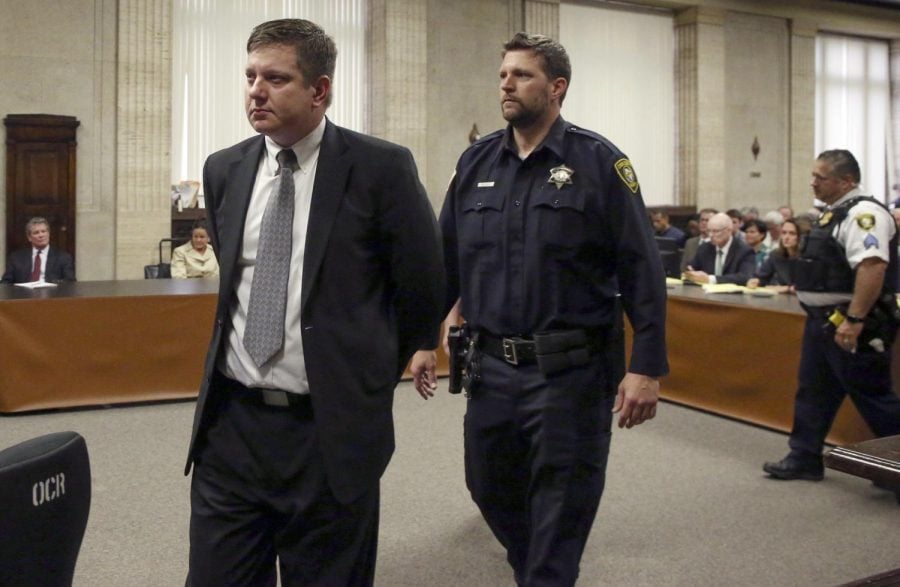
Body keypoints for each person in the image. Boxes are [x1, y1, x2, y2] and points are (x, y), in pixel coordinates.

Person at [183, 19, 445, 586]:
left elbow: (423, 287)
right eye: (250, 76)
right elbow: (235, 284)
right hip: (232, 428)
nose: (256, 90)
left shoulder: (381, 168)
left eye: (276, 78)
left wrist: (365, 380)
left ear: (319, 90)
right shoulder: (224, 168)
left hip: (326, 435)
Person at [410, 32, 668, 586]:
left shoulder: (599, 161)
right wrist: (421, 339)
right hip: (490, 368)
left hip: (569, 371)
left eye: (522, 75)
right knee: (487, 485)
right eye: (503, 74)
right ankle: (536, 570)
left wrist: (646, 366)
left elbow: (641, 268)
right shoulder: (477, 161)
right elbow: (445, 263)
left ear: (557, 88)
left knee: (562, 501)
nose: (507, 83)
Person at [763, 149, 900, 481]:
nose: (812, 182)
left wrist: (854, 320)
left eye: (820, 177)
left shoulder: (863, 214)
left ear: (846, 181)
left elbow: (872, 267)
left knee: (872, 397)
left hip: (853, 323)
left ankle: (895, 467)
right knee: (814, 390)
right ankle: (804, 457)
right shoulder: (832, 214)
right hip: (823, 322)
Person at [684, 212, 756, 285]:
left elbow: (745, 276)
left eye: (716, 231)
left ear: (729, 230)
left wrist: (711, 279)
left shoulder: (744, 250)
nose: (711, 235)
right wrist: (691, 272)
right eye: (709, 231)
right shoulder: (704, 248)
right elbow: (692, 268)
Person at [1, 217, 75, 284]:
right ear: (29, 237)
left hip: (52, 296)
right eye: (36, 232)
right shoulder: (16, 258)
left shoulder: (63, 257)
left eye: (43, 231)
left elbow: (70, 281)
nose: (41, 235)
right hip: (24, 296)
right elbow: (6, 283)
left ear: (48, 234)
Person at [746, 218, 807, 292]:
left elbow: (805, 286)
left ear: (801, 236)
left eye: (792, 233)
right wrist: (756, 281)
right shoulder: (776, 255)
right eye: (784, 233)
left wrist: (787, 288)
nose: (786, 237)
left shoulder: (807, 257)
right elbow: (762, 276)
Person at [680, 207, 717, 272]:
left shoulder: (717, 243)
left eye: (707, 220)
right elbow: (683, 268)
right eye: (702, 220)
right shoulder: (690, 242)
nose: (703, 223)